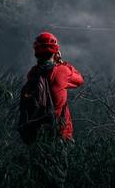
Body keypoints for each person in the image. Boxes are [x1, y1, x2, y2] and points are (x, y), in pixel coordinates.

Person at [22, 31, 84, 187]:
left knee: (38, 180)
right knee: (57, 180)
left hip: (35, 135)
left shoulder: (32, 74)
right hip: (59, 135)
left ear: (36, 52)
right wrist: (61, 61)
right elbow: (79, 80)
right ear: (55, 51)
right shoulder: (61, 72)